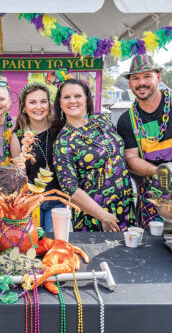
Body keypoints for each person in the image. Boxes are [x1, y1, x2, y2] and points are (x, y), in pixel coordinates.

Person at [53, 78, 136, 232]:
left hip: (125, 206)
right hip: (95, 218)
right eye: (66, 97)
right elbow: (69, 188)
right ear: (60, 103)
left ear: (86, 99)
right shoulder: (63, 142)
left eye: (77, 96)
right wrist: (103, 215)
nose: (72, 101)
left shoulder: (101, 119)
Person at [117, 54, 172, 229]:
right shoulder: (127, 120)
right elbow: (131, 159)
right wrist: (162, 173)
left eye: (147, 76)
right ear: (130, 84)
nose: (141, 82)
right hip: (151, 193)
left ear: (158, 77)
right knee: (153, 249)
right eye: (136, 78)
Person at [10, 82, 65, 232]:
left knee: (55, 240)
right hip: (32, 203)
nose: (38, 107)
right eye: (32, 102)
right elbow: (19, 178)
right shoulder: (18, 137)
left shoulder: (60, 129)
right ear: (24, 106)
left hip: (58, 200)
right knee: (34, 243)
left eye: (43, 101)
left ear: (49, 104)